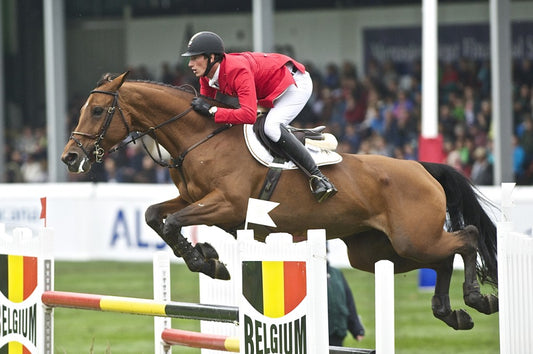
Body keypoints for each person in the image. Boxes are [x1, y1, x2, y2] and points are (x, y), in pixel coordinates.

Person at [181, 31, 337, 202]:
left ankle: (319, 178)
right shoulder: (207, 76)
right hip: (269, 89)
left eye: (195, 58)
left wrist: (212, 111)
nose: (190, 63)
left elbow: (247, 115)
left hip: (294, 84)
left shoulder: (236, 69)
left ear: (211, 57)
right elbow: (207, 110)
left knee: (270, 127)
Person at [327, 258, 365, 346]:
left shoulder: (337, 273)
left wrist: (356, 328)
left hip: (338, 332)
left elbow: (349, 301)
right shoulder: (309, 272)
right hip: (319, 332)